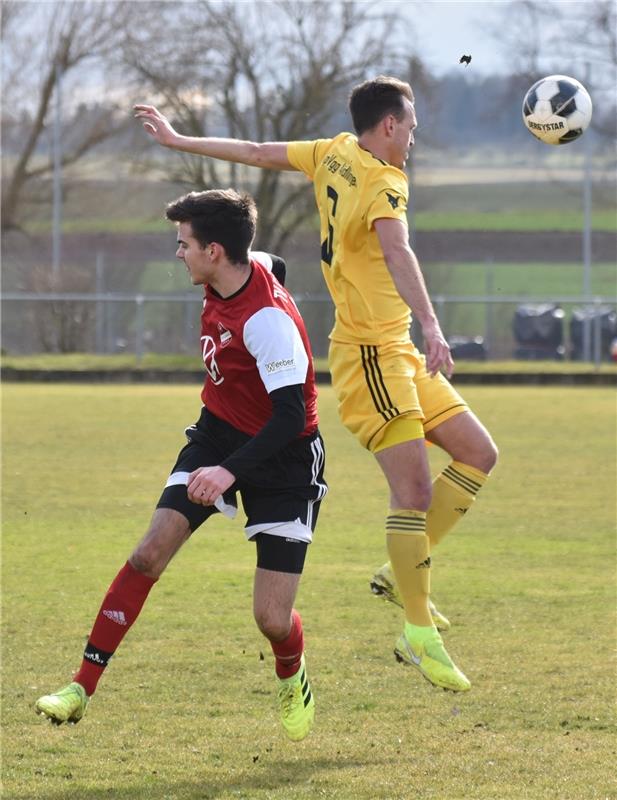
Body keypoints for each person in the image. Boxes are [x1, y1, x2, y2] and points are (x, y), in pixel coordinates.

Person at [134, 75, 498, 693]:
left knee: (478, 453)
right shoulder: (384, 181)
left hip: (397, 349)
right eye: (410, 126)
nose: (413, 137)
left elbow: (252, 151)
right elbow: (399, 250)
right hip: (370, 354)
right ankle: (418, 632)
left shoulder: (333, 151)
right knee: (411, 492)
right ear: (388, 125)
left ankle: (398, 573)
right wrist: (436, 323)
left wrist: (178, 140)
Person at [36, 189, 327, 741]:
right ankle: (79, 688)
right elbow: (275, 265)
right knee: (149, 552)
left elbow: (289, 417)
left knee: (270, 619)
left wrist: (228, 474)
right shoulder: (250, 266)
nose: (178, 254)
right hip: (218, 434)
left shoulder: (266, 322)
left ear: (215, 251)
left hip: (286, 458)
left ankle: (292, 672)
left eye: (184, 244)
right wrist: (220, 461)